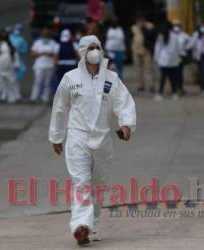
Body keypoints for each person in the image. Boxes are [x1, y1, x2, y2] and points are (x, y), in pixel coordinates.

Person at [49, 35, 136, 245]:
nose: (95, 50)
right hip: (77, 137)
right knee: (81, 183)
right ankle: (80, 225)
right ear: (82, 52)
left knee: (98, 186)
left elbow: (123, 102)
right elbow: (60, 108)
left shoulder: (111, 78)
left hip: (103, 139)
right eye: (91, 47)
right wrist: (57, 136)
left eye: (98, 46)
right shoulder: (70, 79)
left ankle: (92, 225)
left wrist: (126, 125)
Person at [0, 29, 19, 103]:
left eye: (5, 34)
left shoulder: (10, 44)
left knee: (11, 83)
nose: (4, 35)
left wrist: (16, 64)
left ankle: (11, 98)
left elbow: (15, 55)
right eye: (2, 34)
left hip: (9, 68)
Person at [30, 26, 59, 103]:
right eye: (44, 32)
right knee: (37, 82)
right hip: (39, 66)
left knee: (47, 83)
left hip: (49, 65)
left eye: (47, 32)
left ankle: (45, 98)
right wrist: (41, 53)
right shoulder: (37, 42)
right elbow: (32, 54)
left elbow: (56, 54)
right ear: (42, 33)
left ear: (49, 33)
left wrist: (50, 55)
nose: (45, 33)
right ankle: (34, 97)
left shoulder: (53, 43)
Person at [154, 21, 180, 101]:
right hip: (172, 61)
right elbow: (177, 49)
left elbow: (158, 48)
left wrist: (156, 58)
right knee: (172, 78)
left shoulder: (161, 36)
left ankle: (160, 93)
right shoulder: (174, 36)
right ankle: (174, 93)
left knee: (163, 78)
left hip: (164, 61)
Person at [131, 13, 156, 92]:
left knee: (148, 69)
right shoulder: (133, 27)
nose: (139, 20)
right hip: (136, 50)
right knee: (138, 69)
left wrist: (143, 27)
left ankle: (151, 85)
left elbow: (150, 35)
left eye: (141, 18)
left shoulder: (150, 25)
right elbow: (131, 37)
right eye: (138, 19)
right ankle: (140, 85)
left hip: (146, 50)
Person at [10, 23, 29, 101]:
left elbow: (25, 50)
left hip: (18, 61)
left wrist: (18, 51)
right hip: (8, 61)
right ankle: (8, 95)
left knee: (16, 79)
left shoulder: (22, 39)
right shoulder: (9, 37)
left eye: (19, 29)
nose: (17, 31)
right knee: (9, 79)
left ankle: (16, 95)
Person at [191, 23, 204, 96]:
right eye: (202, 27)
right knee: (203, 72)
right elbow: (192, 43)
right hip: (200, 56)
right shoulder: (196, 34)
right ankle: (202, 89)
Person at [172, 20, 192, 95]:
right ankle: (174, 88)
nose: (176, 27)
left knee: (179, 72)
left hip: (180, 56)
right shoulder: (170, 34)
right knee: (173, 73)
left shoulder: (184, 35)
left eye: (178, 25)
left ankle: (180, 88)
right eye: (175, 25)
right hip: (172, 57)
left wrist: (185, 48)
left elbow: (191, 42)